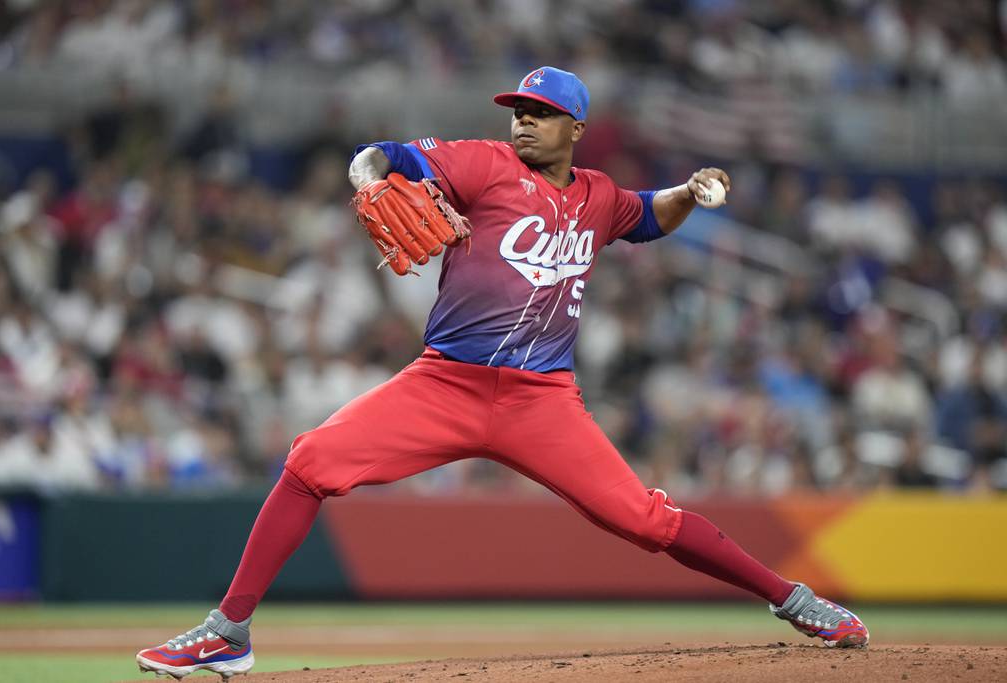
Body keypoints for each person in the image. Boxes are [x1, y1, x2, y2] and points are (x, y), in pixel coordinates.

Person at [137, 67, 869, 680]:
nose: (524, 122)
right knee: (309, 460)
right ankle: (229, 630)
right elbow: (384, 153)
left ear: (575, 128)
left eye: (542, 114)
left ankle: (792, 597)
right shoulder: (482, 164)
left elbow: (645, 216)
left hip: (541, 400)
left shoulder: (598, 196)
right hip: (443, 383)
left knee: (645, 518)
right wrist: (369, 178)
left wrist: (688, 192)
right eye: (520, 110)